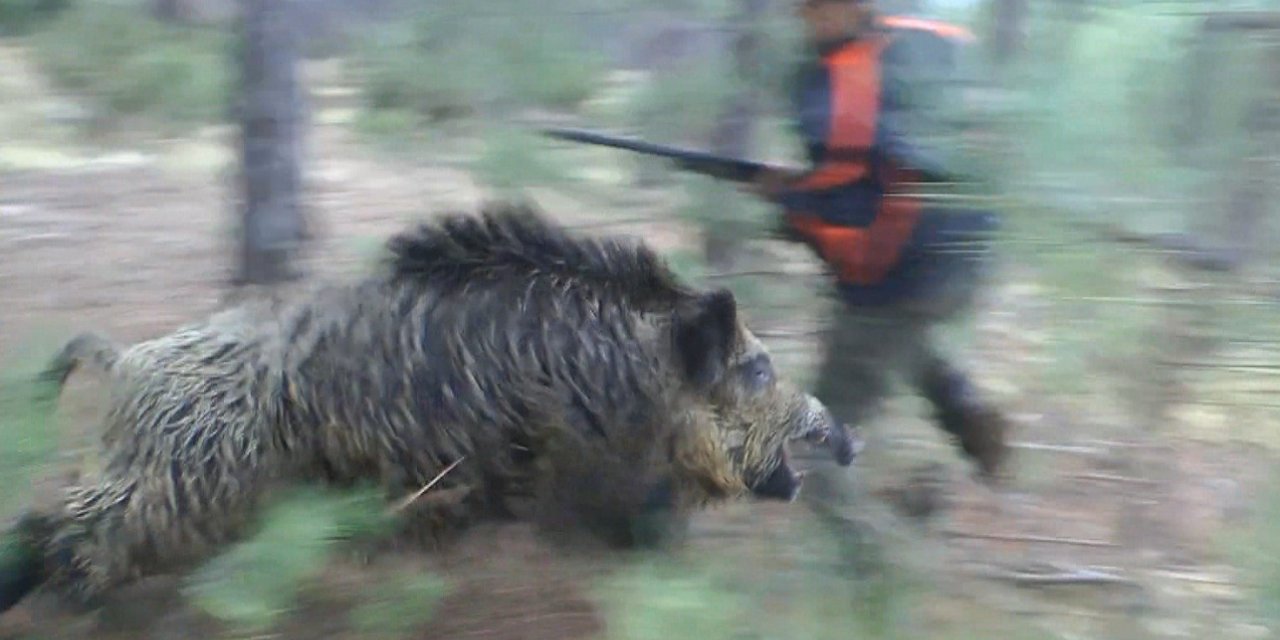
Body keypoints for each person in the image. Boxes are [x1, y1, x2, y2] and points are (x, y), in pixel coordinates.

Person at [745, 0, 1011, 484]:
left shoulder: (843, 79)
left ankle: (879, 555)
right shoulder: (923, 39)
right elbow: (880, 169)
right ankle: (964, 409)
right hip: (965, 256)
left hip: (901, 271)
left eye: (816, 7)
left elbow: (854, 206)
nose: (805, 17)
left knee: (822, 458)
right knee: (898, 336)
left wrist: (790, 202)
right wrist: (807, 187)